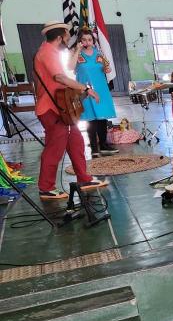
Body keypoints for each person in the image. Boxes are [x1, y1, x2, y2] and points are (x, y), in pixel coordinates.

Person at [32, 21, 106, 200]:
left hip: (62, 108)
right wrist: (85, 88)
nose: (68, 38)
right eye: (66, 35)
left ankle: (84, 178)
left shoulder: (53, 51)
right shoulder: (47, 52)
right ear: (59, 37)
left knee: (75, 141)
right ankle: (46, 188)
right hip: (50, 109)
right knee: (54, 148)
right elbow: (60, 78)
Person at [69, 28, 118, 157]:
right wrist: (78, 50)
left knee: (102, 118)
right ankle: (94, 148)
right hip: (85, 90)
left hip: (101, 88)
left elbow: (106, 68)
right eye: (84, 39)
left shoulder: (98, 53)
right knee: (91, 119)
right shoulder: (76, 54)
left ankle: (104, 145)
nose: (87, 42)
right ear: (80, 41)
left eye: (89, 39)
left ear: (93, 40)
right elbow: (70, 67)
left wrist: (107, 68)